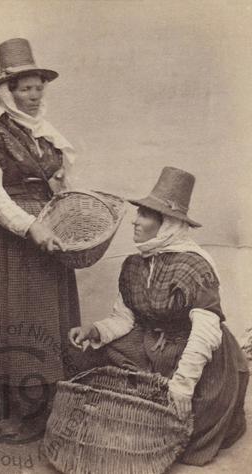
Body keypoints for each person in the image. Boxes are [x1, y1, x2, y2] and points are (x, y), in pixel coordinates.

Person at [69, 166, 249, 466]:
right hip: (152, 343)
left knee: (189, 420)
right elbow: (125, 319)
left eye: (145, 215)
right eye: (138, 213)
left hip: (195, 349)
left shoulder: (194, 265)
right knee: (94, 372)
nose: (135, 221)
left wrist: (182, 384)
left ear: (167, 223)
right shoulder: (135, 265)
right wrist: (95, 330)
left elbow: (205, 332)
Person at [0, 38, 81, 436]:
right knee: (4, 320)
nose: (33, 96)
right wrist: (31, 227)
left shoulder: (49, 138)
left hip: (45, 237)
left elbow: (62, 189)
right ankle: (1, 412)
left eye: (38, 87)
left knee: (45, 319)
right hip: (4, 243)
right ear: (7, 92)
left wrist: (65, 210)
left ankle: (42, 410)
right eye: (24, 88)